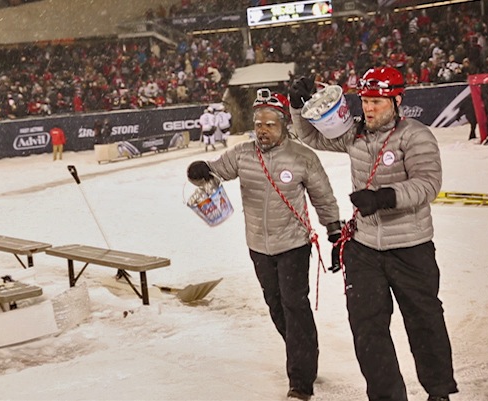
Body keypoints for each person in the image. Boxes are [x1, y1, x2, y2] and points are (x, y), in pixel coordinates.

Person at [288, 67, 458, 401]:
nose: (368, 108)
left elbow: (428, 184)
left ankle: (439, 392)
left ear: (397, 101)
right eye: (365, 100)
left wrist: (384, 198)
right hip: (364, 247)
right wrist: (297, 105)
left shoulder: (416, 135)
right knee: (367, 327)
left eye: (377, 102)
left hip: (410, 247)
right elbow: (311, 137)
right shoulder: (355, 135)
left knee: (424, 321)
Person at [186, 89, 342, 401]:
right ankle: (304, 351)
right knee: (276, 306)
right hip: (258, 245)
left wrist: (334, 232)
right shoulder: (242, 154)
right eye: (258, 124)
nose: (263, 130)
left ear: (284, 125)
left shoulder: (302, 157)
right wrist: (198, 171)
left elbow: (323, 197)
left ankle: (301, 381)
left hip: (293, 244)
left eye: (270, 124)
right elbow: (213, 172)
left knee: (294, 305)